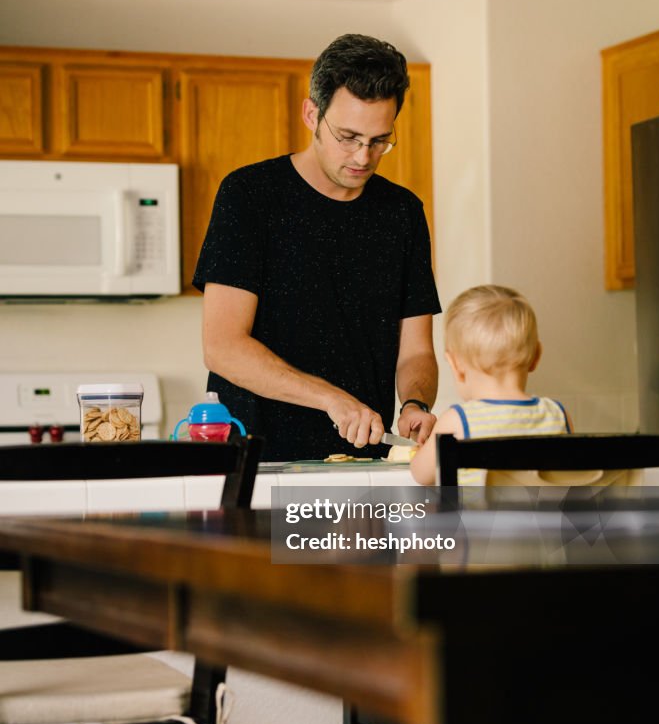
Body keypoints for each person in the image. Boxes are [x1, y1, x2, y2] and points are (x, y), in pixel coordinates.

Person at [193, 33, 441, 462]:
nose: (364, 156)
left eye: (380, 140)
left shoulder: (402, 213)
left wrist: (415, 403)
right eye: (348, 137)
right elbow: (223, 346)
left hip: (362, 463)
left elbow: (417, 350)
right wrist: (329, 398)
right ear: (312, 114)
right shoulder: (249, 196)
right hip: (259, 460)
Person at [411, 284, 572, 485]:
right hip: (547, 517)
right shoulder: (558, 415)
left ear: (455, 364)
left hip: (476, 518)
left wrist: (423, 452)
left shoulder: (457, 421)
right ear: (536, 356)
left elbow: (420, 475)